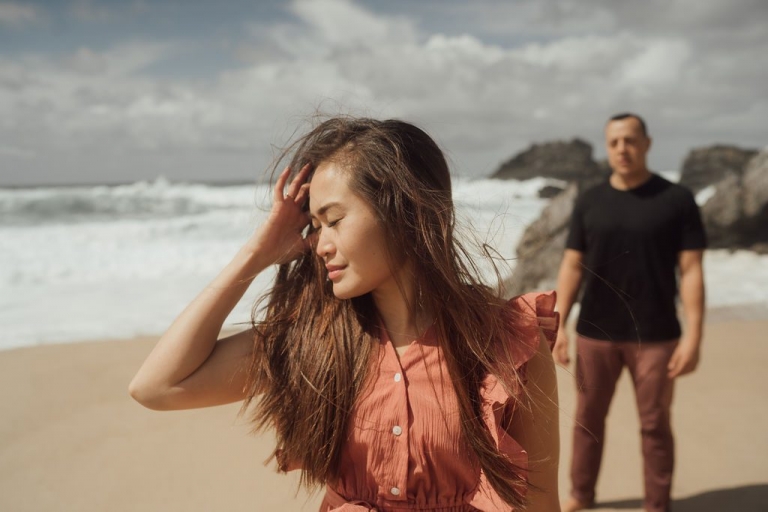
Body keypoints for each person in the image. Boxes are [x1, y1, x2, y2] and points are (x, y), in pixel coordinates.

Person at [129, 117, 561, 511]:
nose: (319, 244)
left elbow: (542, 505)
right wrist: (256, 254)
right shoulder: (310, 342)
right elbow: (158, 386)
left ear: (404, 208)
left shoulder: (509, 341)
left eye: (333, 220)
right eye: (313, 226)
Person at [554, 113, 706, 512]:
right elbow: (572, 266)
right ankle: (580, 496)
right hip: (593, 331)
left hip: (656, 335)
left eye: (630, 141)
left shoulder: (677, 200)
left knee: (654, 424)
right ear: (607, 147)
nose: (623, 149)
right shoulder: (590, 201)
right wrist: (559, 324)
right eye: (615, 142)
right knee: (587, 421)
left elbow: (691, 270)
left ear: (647, 144)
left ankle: (657, 504)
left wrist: (694, 336)